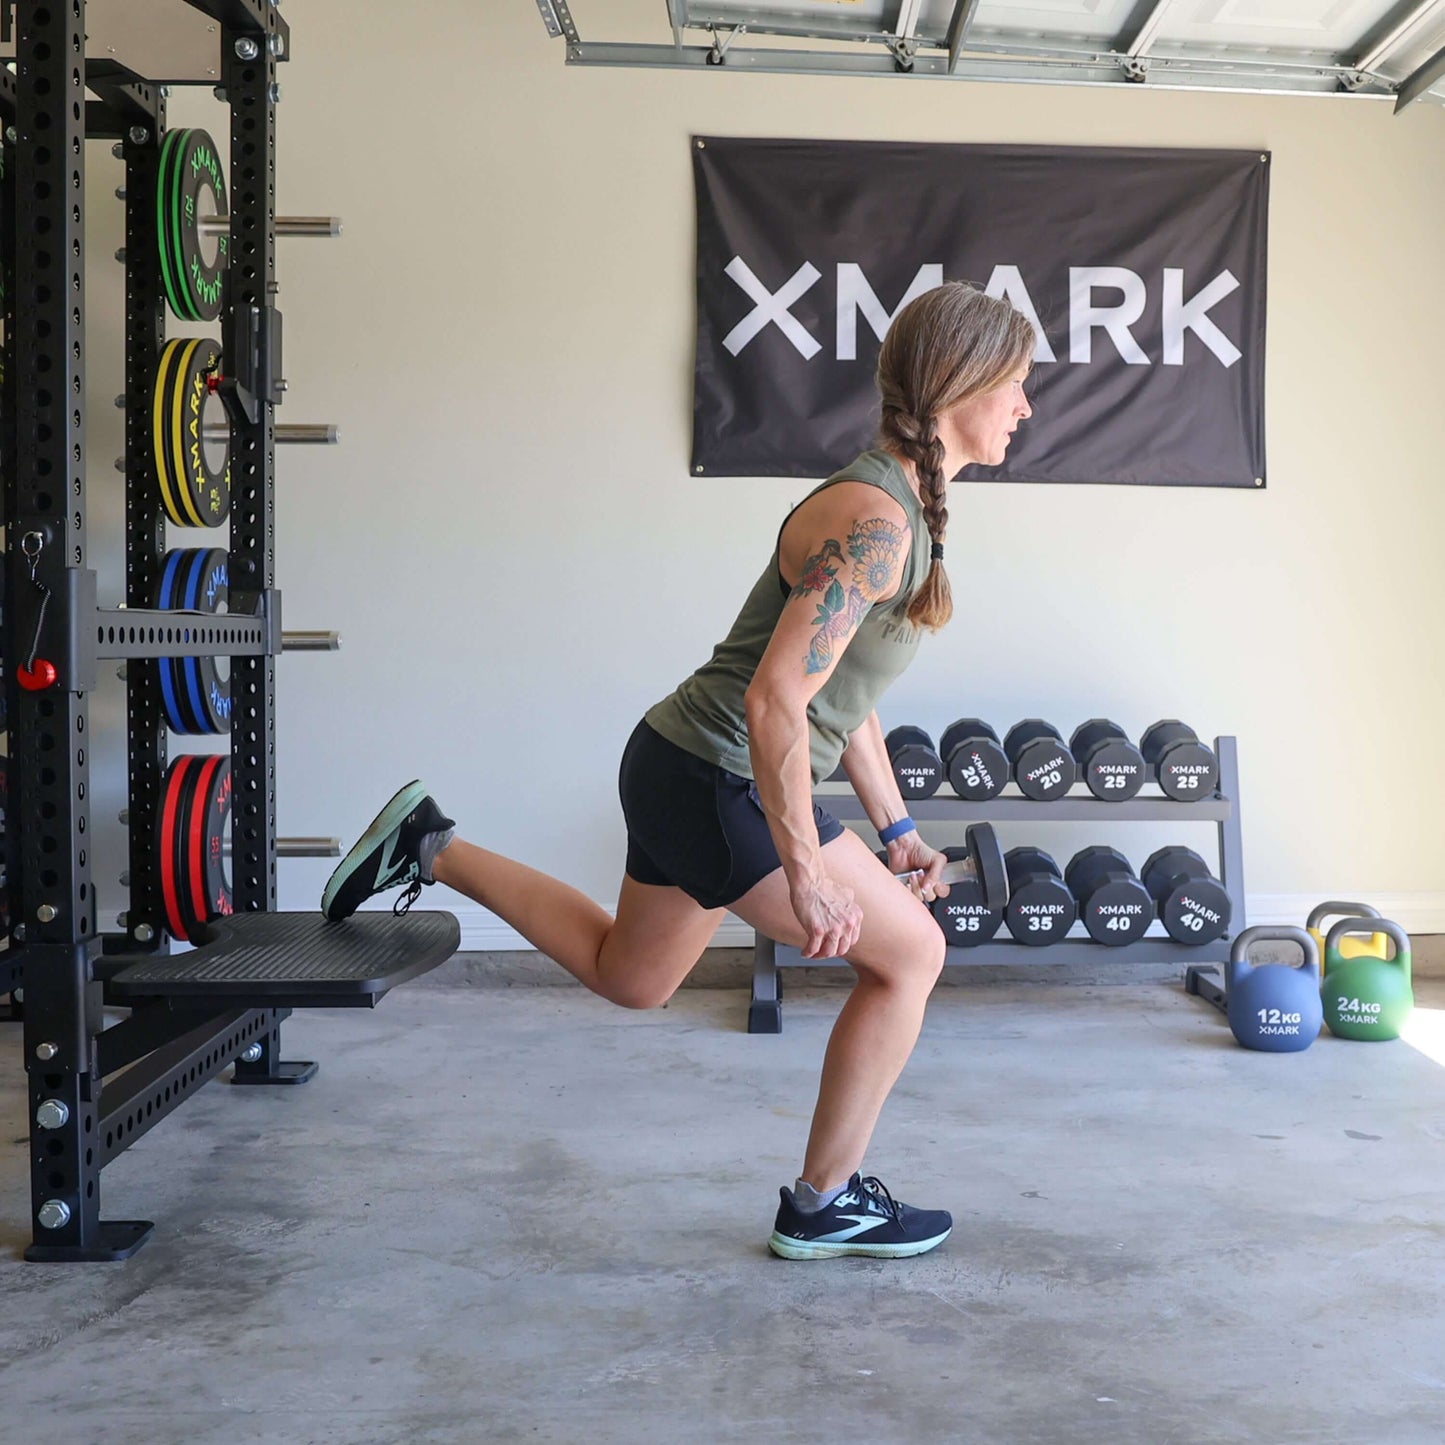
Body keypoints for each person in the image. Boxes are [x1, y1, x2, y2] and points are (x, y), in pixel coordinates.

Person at [321, 281, 1036, 1260]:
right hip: (715, 777)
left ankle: (429, 843)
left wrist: (896, 828)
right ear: (964, 381)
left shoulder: (898, 510)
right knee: (910, 954)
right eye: (1016, 385)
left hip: (678, 762)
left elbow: (840, 693)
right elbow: (774, 701)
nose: (1024, 408)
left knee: (632, 975)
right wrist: (806, 866)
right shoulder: (878, 523)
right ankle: (823, 1201)